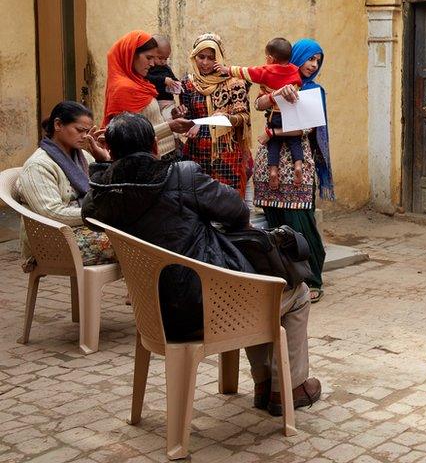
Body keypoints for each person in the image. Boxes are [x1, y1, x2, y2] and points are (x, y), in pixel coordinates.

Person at [81, 113, 320, 415]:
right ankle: (287, 388)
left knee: (256, 286)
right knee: (292, 293)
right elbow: (236, 212)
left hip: (154, 315)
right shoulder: (182, 176)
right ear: (156, 146)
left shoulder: (108, 194)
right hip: (207, 308)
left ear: (112, 153)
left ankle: (265, 384)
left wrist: (105, 167)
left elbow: (87, 214)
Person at [253, 39, 332, 303]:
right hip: (271, 163)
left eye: (318, 60)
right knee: (275, 222)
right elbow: (259, 105)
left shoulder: (313, 91)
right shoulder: (278, 82)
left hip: (298, 164)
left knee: (301, 224)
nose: (313, 65)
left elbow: (306, 128)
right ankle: (286, 277)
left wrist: (270, 132)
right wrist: (275, 94)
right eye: (310, 58)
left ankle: (312, 278)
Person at [15, 101, 114, 270]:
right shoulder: (39, 165)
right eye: (79, 130)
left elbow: (106, 193)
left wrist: (104, 161)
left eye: (87, 132)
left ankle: (136, 296)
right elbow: (52, 213)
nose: (85, 136)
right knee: (131, 244)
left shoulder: (84, 156)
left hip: (82, 229)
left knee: (138, 233)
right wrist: (99, 213)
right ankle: (137, 296)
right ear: (58, 124)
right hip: (50, 241)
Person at [220, 37, 303, 189]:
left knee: (273, 144)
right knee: (295, 141)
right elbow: (298, 86)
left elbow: (247, 72)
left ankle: (273, 171)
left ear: (270, 59)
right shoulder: (295, 72)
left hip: (275, 116)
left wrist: (228, 69)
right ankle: (298, 165)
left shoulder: (267, 71)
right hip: (291, 116)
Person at [181, 34, 252, 197]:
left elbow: (244, 117)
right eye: (201, 57)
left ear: (219, 58)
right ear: (194, 57)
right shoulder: (188, 83)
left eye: (211, 58)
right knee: (198, 203)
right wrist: (181, 116)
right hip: (196, 153)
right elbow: (188, 119)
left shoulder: (234, 81)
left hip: (227, 155)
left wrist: (228, 118)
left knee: (227, 203)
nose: (205, 63)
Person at [101, 30, 192, 159]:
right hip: (148, 160)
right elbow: (128, 136)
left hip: (162, 153)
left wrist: (172, 116)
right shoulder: (123, 88)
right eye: (149, 58)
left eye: (155, 58)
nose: (152, 64)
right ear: (131, 55)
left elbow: (149, 120)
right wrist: (169, 127)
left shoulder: (140, 83)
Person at [145, 35, 181, 114]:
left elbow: (173, 78)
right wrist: (163, 80)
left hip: (168, 102)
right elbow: (148, 78)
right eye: (160, 58)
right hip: (154, 102)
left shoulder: (166, 68)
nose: (163, 62)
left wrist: (176, 85)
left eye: (166, 59)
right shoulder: (149, 68)